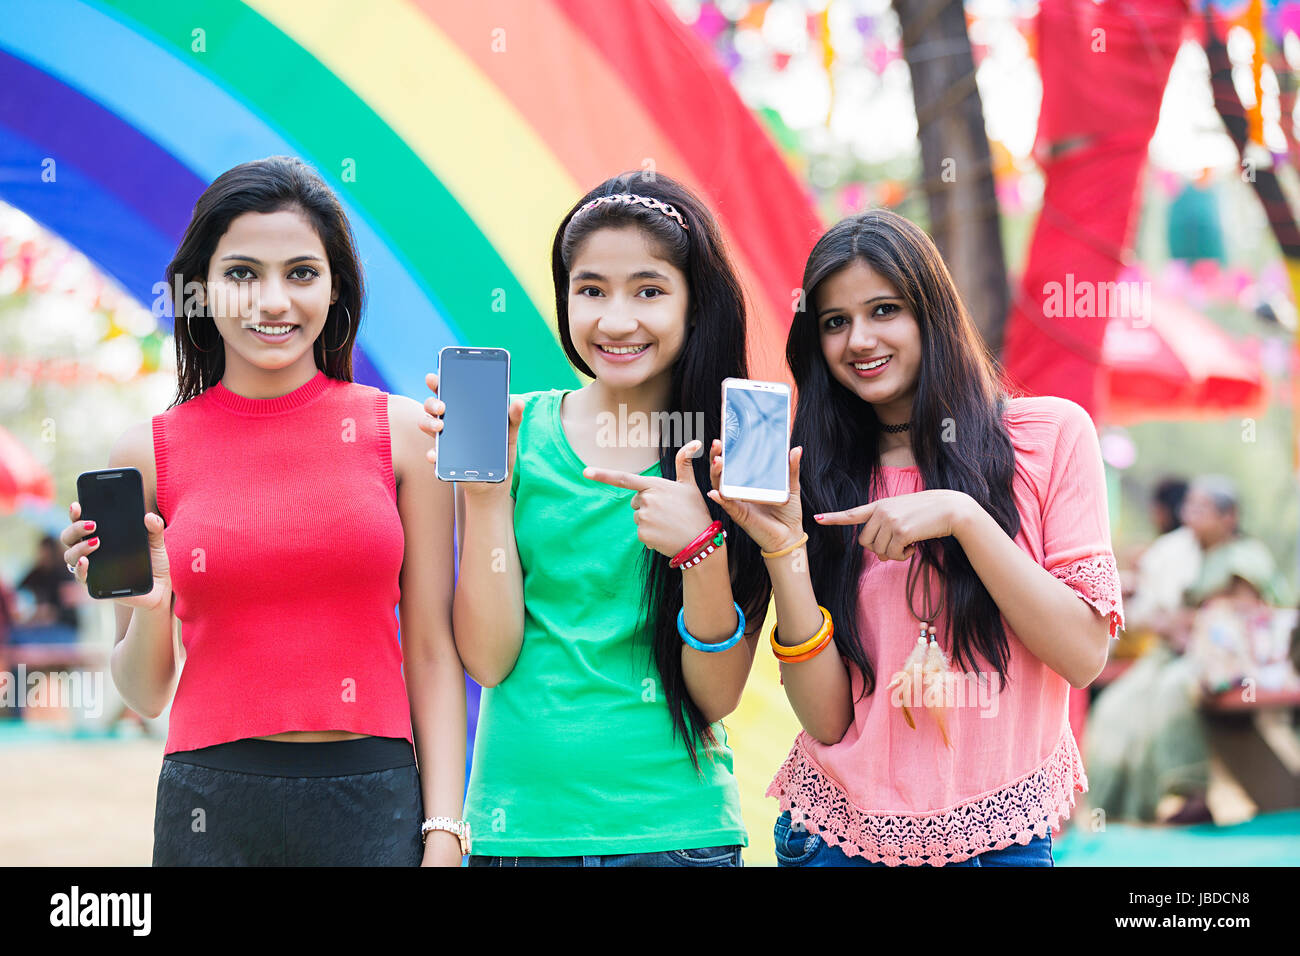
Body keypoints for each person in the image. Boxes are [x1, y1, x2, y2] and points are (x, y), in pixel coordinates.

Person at [59, 156, 465, 866]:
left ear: (335, 287)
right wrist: (152, 608)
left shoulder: (407, 435)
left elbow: (432, 650)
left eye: (301, 273)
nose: (272, 301)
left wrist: (444, 832)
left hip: (375, 801)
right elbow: (144, 693)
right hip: (209, 808)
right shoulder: (146, 453)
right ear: (201, 290)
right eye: (242, 273)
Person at [709, 209, 1123, 866]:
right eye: (835, 322)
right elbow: (828, 722)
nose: (859, 340)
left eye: (884, 310)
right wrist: (783, 547)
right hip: (836, 842)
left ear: (931, 313)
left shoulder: (1048, 437)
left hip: (1005, 841)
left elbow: (1082, 654)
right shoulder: (809, 472)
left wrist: (962, 518)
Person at [421, 173, 770, 866]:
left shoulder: (742, 443)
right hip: (518, 833)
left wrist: (701, 548)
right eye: (591, 290)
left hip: (676, 837)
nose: (615, 320)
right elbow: (489, 660)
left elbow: (716, 696)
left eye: (648, 290)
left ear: (695, 304)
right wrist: (487, 494)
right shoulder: (512, 432)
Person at [1086, 475, 1290, 824]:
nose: (1190, 514)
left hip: (1230, 660)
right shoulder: (1188, 554)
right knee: (1119, 702)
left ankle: (1191, 792)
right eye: (1189, 506)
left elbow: (1238, 614)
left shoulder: (1243, 556)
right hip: (1182, 653)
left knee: (1172, 688)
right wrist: (1173, 623)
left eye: (1202, 508)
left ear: (1229, 517)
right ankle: (1122, 803)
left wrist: (1185, 621)